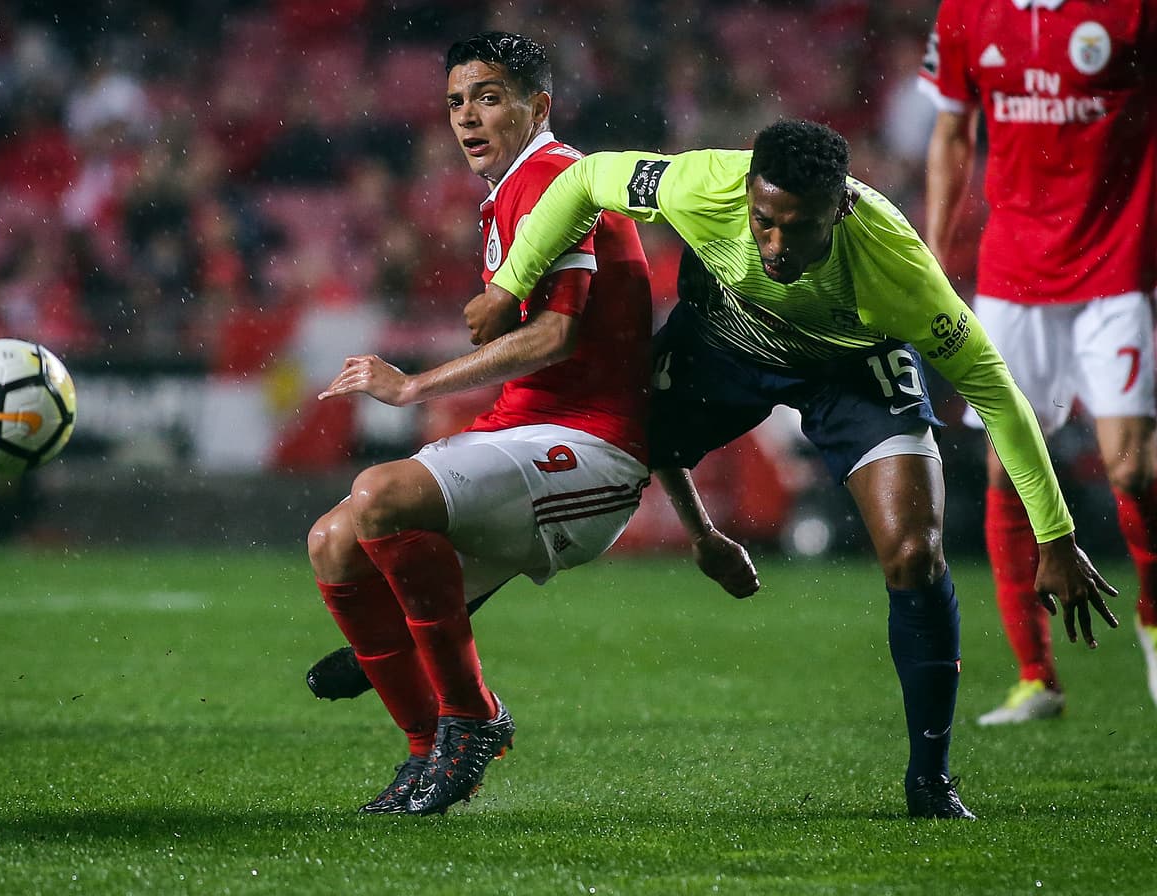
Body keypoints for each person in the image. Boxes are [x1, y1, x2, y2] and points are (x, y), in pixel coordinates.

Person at [465, 117, 1119, 820]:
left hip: (852, 368)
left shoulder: (898, 270)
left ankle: (930, 779)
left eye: (798, 228)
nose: (776, 244)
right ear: (746, 191)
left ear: (840, 209)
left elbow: (997, 393)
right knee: (605, 447)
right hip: (725, 343)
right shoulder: (701, 183)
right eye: (764, 221)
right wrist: (511, 284)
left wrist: (1055, 537)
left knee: (913, 553)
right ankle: (437, 618)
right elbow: (586, 179)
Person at [307, 32, 669, 816]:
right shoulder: (511, 186)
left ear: (538, 105)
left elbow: (555, 334)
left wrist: (413, 388)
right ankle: (425, 746)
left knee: (379, 495)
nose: (467, 118)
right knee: (333, 545)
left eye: (489, 98)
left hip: (591, 448)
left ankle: (469, 718)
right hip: (522, 434)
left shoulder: (549, 176)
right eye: (455, 103)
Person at [920, 0, 1157, 724]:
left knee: (1131, 470)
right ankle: (1036, 677)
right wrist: (932, 255)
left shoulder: (1132, 11)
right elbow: (953, 132)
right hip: (1014, 276)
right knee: (1007, 468)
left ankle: (1151, 618)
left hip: (1119, 266)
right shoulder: (967, 12)